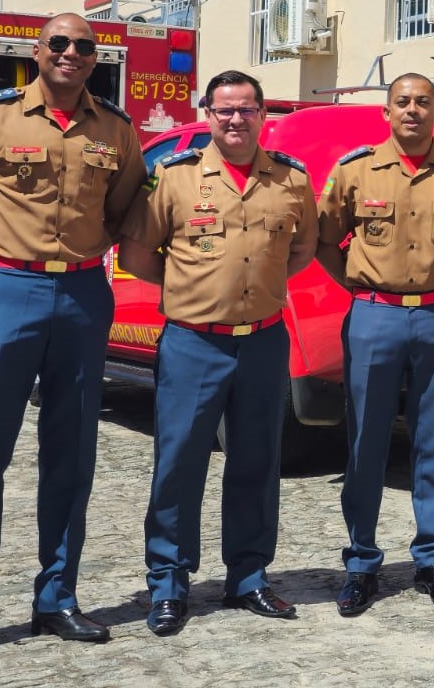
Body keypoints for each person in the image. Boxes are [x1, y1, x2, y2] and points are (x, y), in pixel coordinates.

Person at [0, 14, 146, 661]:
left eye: (83, 46)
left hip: (81, 297)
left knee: (72, 452)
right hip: (8, 293)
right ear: (37, 52)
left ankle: (57, 598)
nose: (70, 54)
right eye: (59, 43)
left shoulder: (117, 131)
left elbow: (126, 208)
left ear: (94, 57)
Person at [118, 70, 318, 635]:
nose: (236, 119)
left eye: (247, 109)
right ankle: (169, 583)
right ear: (207, 113)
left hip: (263, 341)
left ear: (262, 116)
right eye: (225, 109)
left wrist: (256, 287)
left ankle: (249, 576)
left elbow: (301, 247)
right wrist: (193, 289)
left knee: (257, 461)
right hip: (192, 342)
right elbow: (136, 253)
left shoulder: (290, 180)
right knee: (180, 463)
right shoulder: (174, 177)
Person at [315, 73, 434, 615]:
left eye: (423, 102)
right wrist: (355, 283)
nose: (413, 110)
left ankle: (429, 560)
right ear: (387, 111)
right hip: (375, 318)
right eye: (403, 102)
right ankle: (361, 563)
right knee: (365, 444)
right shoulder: (355, 170)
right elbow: (325, 240)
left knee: (431, 444)